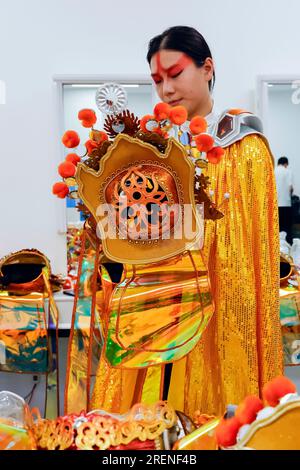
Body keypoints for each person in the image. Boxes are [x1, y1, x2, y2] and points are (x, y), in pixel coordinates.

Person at [91, 26, 283, 417]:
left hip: (221, 299)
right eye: (158, 80)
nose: (166, 90)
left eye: (175, 74)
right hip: (152, 305)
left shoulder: (242, 143)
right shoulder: (146, 147)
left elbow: (250, 246)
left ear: (207, 68)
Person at [275, 156, 293, 245]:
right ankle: (288, 245)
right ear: (285, 164)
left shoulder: (273, 171)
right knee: (286, 227)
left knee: (276, 226)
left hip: (275, 203)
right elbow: (290, 187)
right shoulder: (287, 171)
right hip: (286, 203)